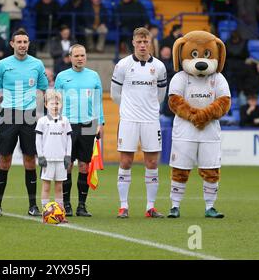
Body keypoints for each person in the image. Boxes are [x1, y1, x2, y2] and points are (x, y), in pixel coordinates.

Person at [110, 27, 167, 218]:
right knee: (126, 161)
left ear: (150, 43)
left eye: (146, 42)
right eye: (139, 42)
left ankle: (150, 207)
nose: (142, 45)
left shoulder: (159, 67)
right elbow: (115, 94)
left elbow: (160, 96)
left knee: (151, 162)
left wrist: (148, 109)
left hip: (151, 120)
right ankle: (123, 206)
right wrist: (128, 109)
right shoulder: (123, 65)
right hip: (129, 120)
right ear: (133, 42)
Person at [0, 29, 49, 217]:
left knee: (30, 160)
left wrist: (34, 107)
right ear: (12, 44)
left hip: (29, 116)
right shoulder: (3, 65)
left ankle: (33, 206)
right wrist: (5, 106)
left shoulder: (37, 64)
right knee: (5, 159)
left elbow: (42, 88)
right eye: (19, 42)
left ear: (29, 43)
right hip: (8, 115)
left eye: (25, 42)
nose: (23, 45)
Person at [54, 44, 105, 217]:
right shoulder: (62, 77)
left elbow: (98, 103)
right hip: (67, 125)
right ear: (70, 57)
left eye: (82, 55)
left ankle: (81, 206)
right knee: (67, 165)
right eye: (76, 56)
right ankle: (66, 204)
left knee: (84, 165)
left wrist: (101, 123)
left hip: (89, 124)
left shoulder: (94, 76)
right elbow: (56, 103)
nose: (80, 58)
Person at [35, 90, 72, 222]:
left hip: (61, 160)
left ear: (61, 105)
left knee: (59, 187)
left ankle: (60, 214)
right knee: (46, 186)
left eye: (57, 103)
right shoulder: (42, 121)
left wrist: (68, 156)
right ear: (46, 105)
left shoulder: (65, 121)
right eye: (52, 103)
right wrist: (40, 156)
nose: (55, 106)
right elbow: (38, 140)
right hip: (48, 160)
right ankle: (46, 213)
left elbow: (69, 140)